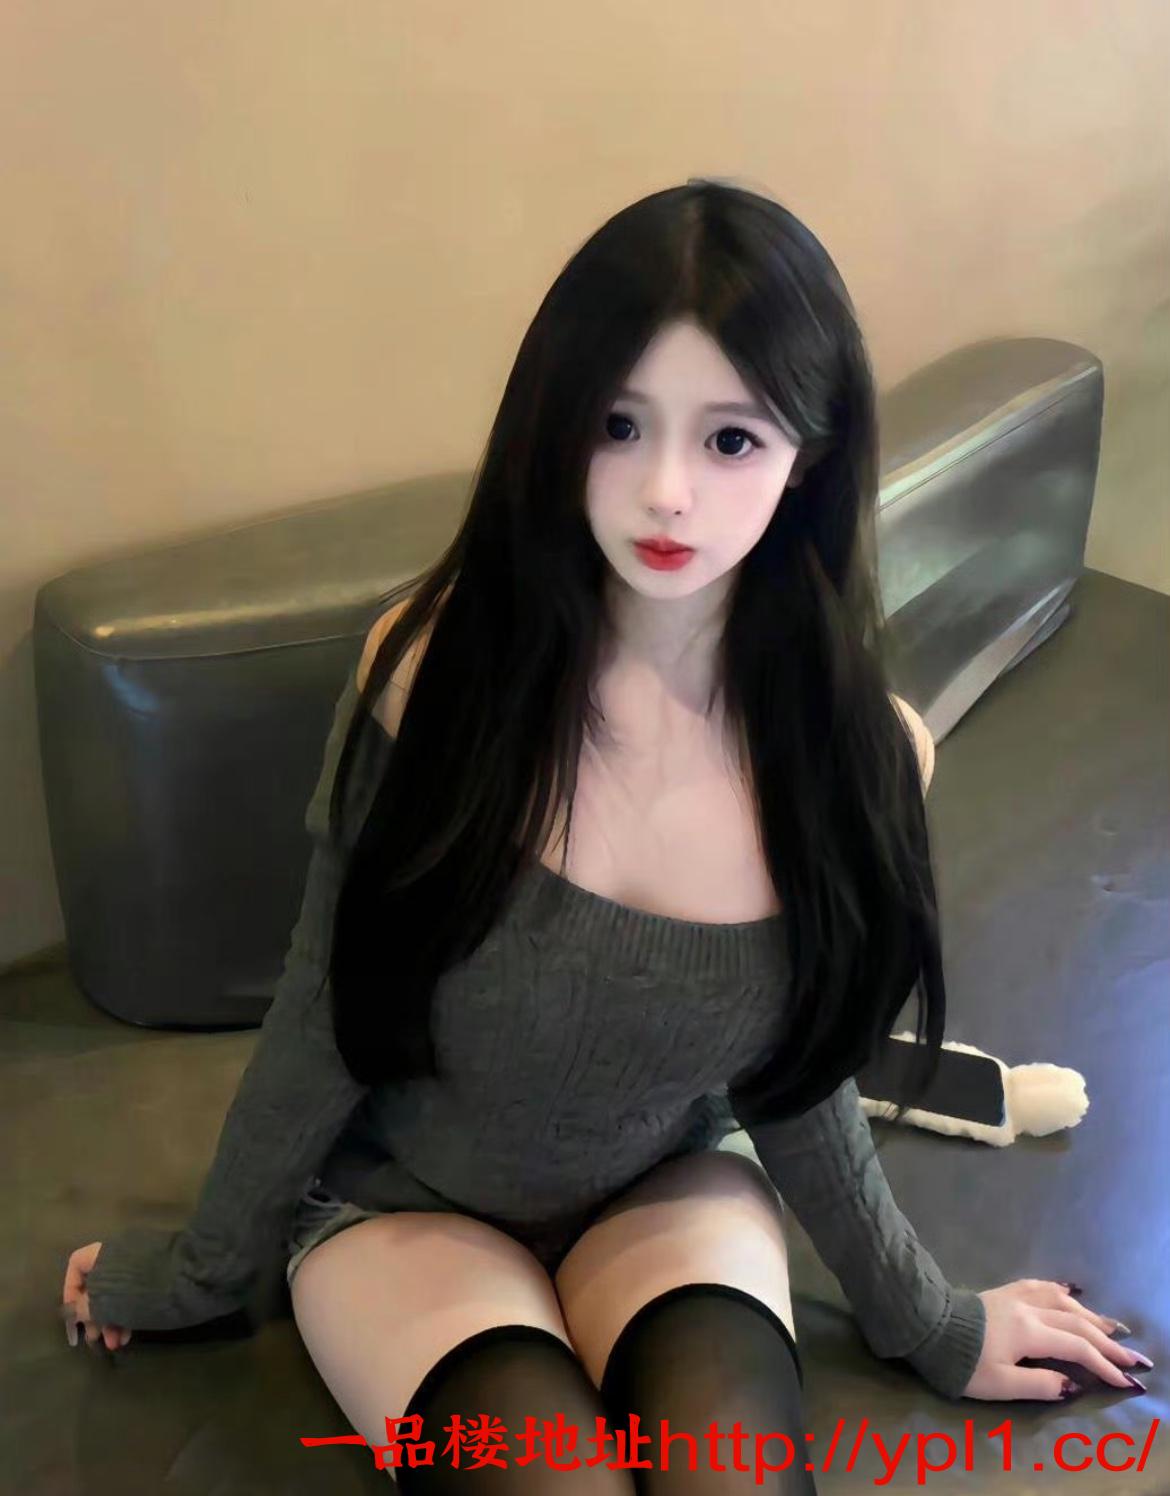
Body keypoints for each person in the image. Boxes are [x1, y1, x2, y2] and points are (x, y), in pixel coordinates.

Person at [62, 180, 1146, 1491]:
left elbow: (792, 1075)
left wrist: (929, 1320)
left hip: (667, 1183)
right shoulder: (428, 677)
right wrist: (198, 1273)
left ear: (808, 455)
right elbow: (325, 1012)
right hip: (399, 1208)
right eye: (618, 425)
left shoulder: (859, 757)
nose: (665, 492)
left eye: (731, 439)